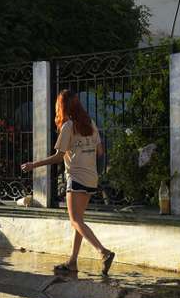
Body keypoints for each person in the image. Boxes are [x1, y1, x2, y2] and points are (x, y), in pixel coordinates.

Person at [22, 90, 115, 276]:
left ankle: (103, 252)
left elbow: (58, 157)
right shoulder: (90, 124)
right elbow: (100, 152)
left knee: (75, 220)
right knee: (79, 221)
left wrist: (34, 165)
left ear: (62, 107)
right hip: (91, 179)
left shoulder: (68, 127)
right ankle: (72, 262)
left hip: (77, 178)